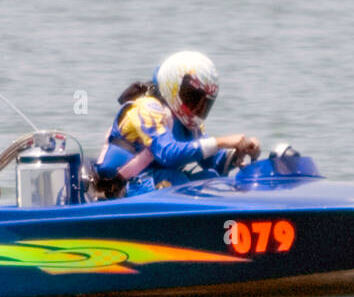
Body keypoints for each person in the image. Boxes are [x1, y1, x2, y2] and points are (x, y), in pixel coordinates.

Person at [93, 51, 260, 198]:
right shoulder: (147, 109)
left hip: (156, 183)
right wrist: (220, 142)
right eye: (193, 99)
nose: (197, 108)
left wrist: (239, 151)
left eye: (204, 104)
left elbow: (213, 162)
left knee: (213, 179)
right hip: (120, 189)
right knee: (175, 181)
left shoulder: (188, 123)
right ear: (172, 87)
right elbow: (167, 153)